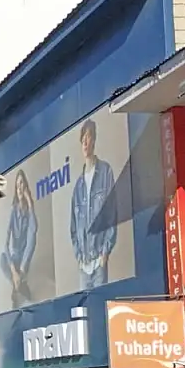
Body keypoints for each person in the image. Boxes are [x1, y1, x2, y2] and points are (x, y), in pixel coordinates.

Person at [70, 118, 118, 290]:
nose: (84, 141)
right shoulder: (78, 186)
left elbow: (111, 215)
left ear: (94, 140)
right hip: (84, 265)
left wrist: (105, 252)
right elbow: (73, 227)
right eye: (82, 137)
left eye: (88, 136)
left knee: (100, 307)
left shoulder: (106, 172)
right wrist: (78, 255)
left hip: (99, 261)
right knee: (85, 314)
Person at [1, 169, 38, 306]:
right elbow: (5, 244)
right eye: (17, 186)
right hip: (15, 257)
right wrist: (13, 272)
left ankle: (20, 279)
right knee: (2, 258)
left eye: (22, 184)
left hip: (25, 258)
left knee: (32, 238)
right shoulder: (13, 211)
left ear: (26, 186)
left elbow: (34, 230)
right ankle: (19, 283)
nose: (20, 188)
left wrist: (30, 203)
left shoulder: (29, 211)